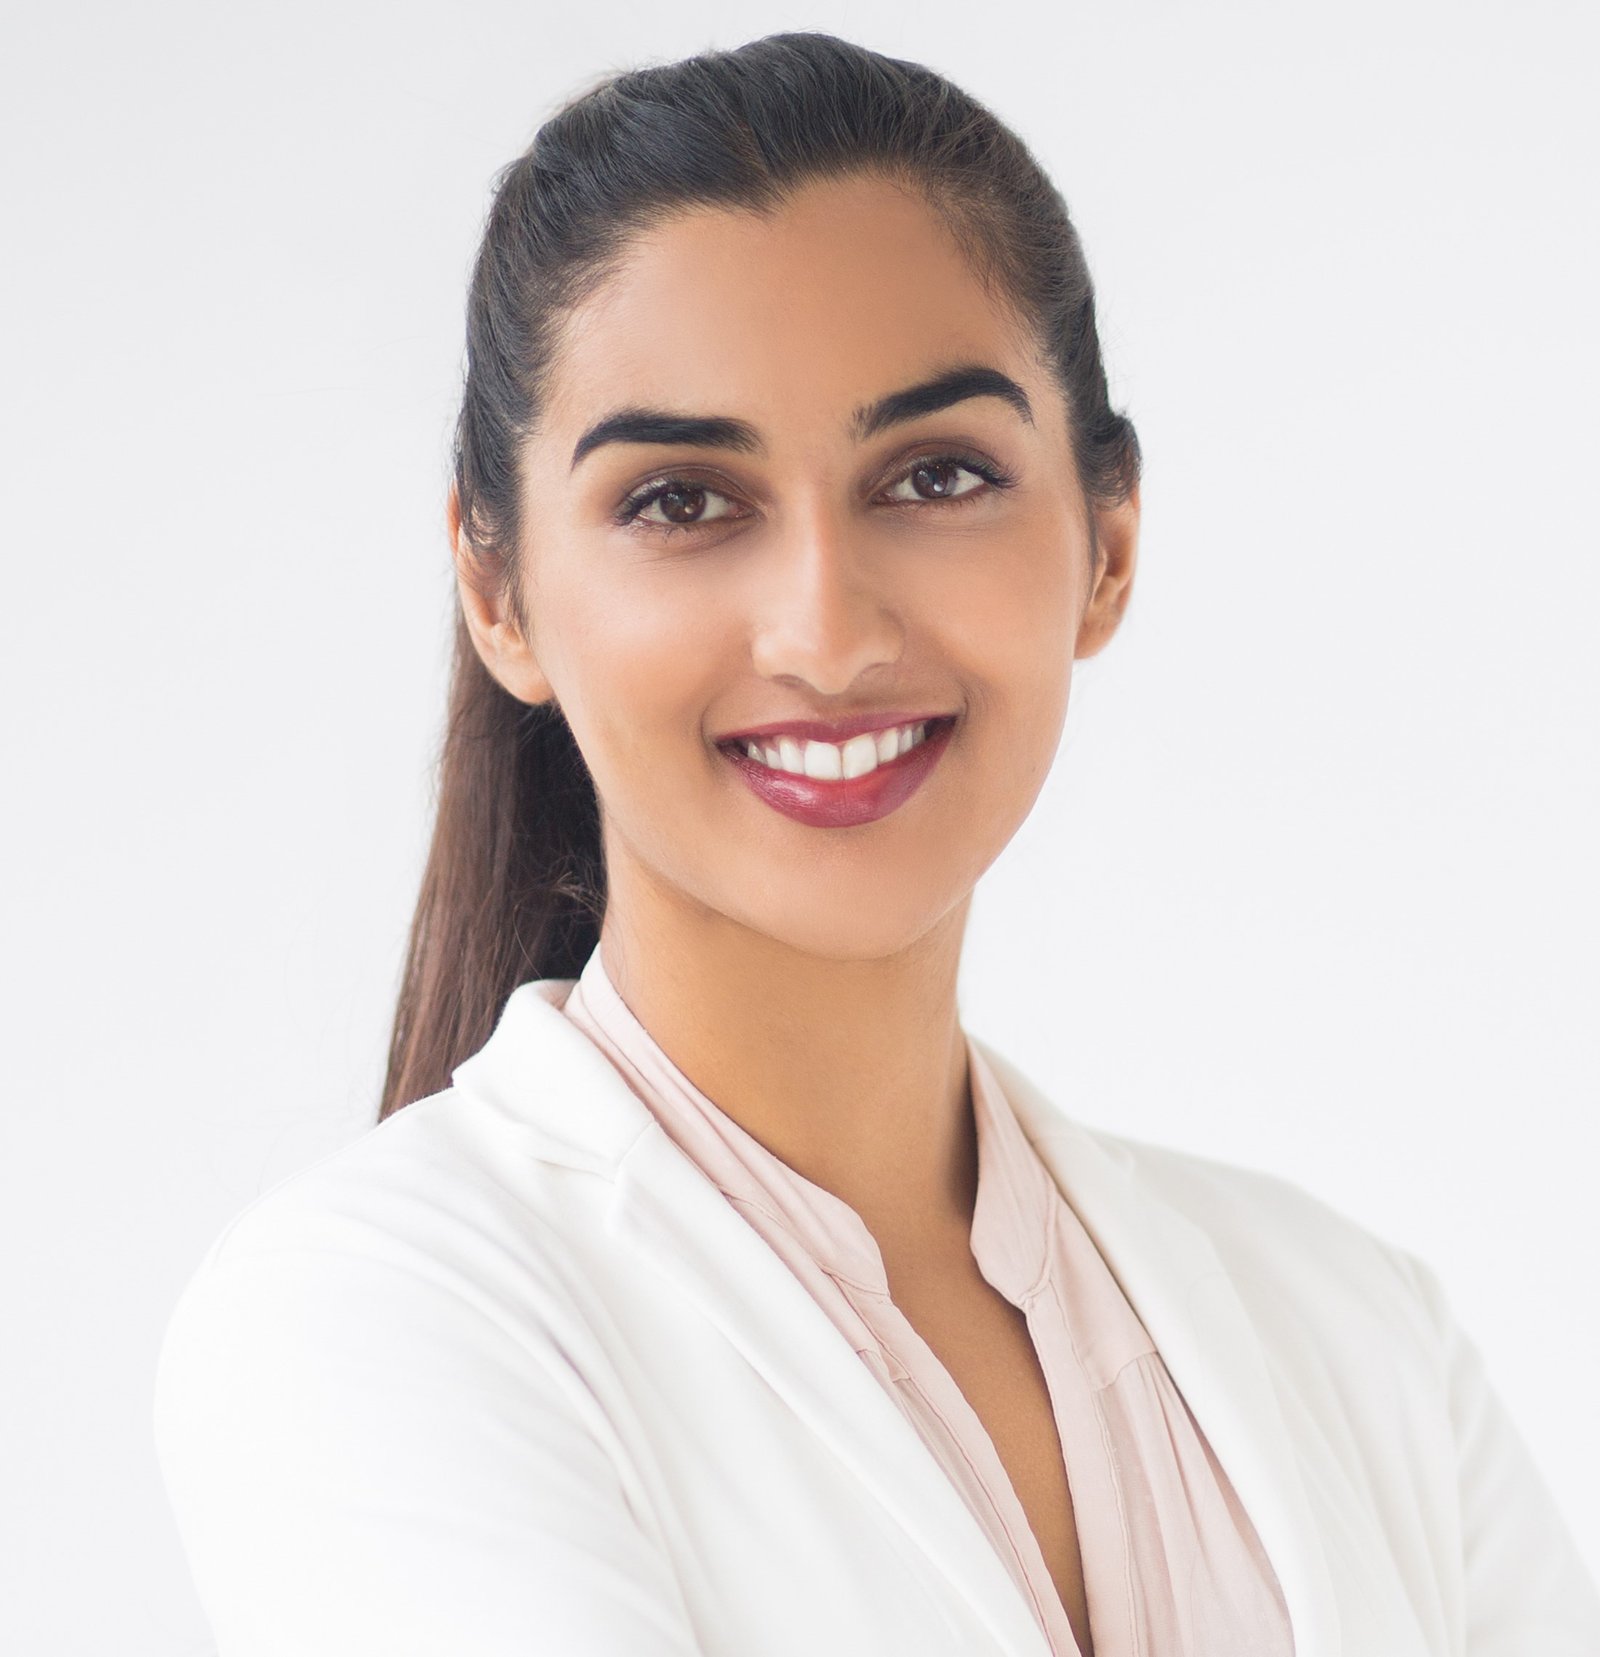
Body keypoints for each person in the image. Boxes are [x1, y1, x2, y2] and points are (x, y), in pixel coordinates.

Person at [151, 31, 1600, 1657]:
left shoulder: (1356, 1331)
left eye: (934, 473)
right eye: (683, 501)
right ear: (500, 594)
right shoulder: (371, 1325)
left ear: (1107, 543)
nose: (827, 633)